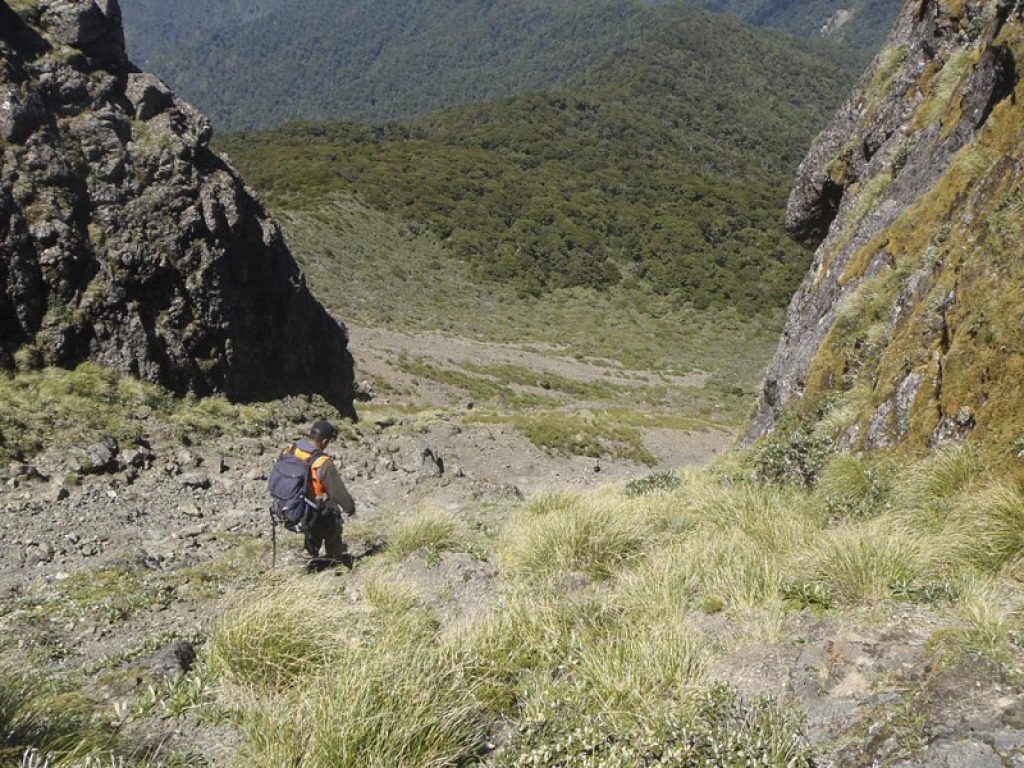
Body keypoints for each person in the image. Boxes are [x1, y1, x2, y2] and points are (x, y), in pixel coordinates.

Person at [286, 419, 355, 564]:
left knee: (313, 518)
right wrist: (349, 507)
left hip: (290, 504)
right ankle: (335, 561)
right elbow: (338, 493)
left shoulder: (292, 449)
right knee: (332, 519)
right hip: (312, 507)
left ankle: (309, 553)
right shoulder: (322, 463)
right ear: (324, 441)